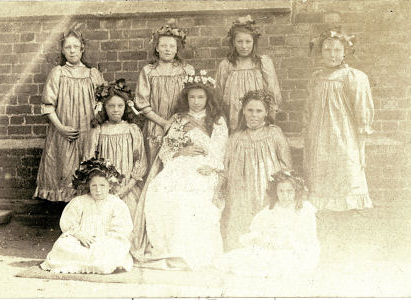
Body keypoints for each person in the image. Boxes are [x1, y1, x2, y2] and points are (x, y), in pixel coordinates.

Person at [131, 71, 228, 270]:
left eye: (201, 97)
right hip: (179, 164)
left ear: (208, 98)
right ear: (186, 98)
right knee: (162, 192)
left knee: (192, 199)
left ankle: (191, 251)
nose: (196, 101)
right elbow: (166, 150)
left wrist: (212, 167)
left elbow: (221, 150)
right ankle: (171, 249)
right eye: (192, 97)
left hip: (205, 166)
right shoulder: (178, 119)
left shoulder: (217, 120)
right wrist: (182, 150)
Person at [304, 27, 374, 211]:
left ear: (344, 52)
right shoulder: (316, 78)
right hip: (319, 137)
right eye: (327, 49)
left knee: (347, 175)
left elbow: (362, 112)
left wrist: (361, 148)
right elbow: (309, 110)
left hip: (344, 137)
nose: (332, 55)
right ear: (321, 51)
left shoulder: (354, 77)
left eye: (337, 50)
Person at [34, 28, 105, 202]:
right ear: (63, 50)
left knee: (88, 168)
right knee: (66, 169)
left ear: (82, 49)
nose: (72, 51)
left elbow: (103, 101)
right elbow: (48, 106)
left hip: (88, 130)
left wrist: (96, 119)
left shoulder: (92, 74)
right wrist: (61, 128)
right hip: (65, 131)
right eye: (68, 47)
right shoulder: (58, 73)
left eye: (75, 47)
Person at [221, 90, 293, 251]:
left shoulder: (274, 133)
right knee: (240, 213)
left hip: (266, 184)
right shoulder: (236, 136)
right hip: (240, 186)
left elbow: (286, 163)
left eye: (259, 111)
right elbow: (225, 165)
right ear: (243, 111)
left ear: (266, 113)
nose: (254, 115)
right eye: (250, 110)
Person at [215, 171, 320, 279]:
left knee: (284, 261)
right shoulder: (272, 208)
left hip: (296, 248)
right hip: (272, 245)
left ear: (296, 191)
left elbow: (307, 237)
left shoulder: (304, 208)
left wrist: (284, 240)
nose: (285, 195)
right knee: (252, 256)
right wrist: (266, 238)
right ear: (276, 192)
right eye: (281, 191)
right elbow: (259, 229)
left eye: (289, 191)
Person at [40, 157, 133, 274]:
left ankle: (98, 260)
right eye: (94, 186)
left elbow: (121, 228)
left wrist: (104, 240)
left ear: (110, 185)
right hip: (82, 240)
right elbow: (69, 223)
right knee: (62, 245)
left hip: (106, 240)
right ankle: (88, 261)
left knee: (111, 249)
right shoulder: (79, 201)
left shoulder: (116, 204)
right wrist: (79, 235)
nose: (98, 190)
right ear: (88, 186)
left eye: (102, 185)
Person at [134, 19, 194, 166]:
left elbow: (193, 99)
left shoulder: (186, 70)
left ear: (176, 49)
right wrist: (163, 123)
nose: (167, 49)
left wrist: (178, 123)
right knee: (155, 160)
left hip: (181, 124)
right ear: (157, 48)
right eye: (163, 45)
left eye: (171, 46)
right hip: (156, 124)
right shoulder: (149, 71)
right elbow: (142, 103)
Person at [86, 79, 147, 221]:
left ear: (126, 107)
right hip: (103, 187)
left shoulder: (132, 129)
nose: (116, 109)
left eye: (120, 105)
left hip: (127, 186)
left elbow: (140, 161)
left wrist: (128, 187)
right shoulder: (98, 130)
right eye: (111, 106)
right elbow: (89, 160)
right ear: (103, 107)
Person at [216, 15, 282, 132]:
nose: (244, 46)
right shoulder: (226, 64)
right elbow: (219, 92)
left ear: (254, 42)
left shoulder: (263, 63)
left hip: (256, 110)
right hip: (234, 111)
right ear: (233, 43)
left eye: (248, 41)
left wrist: (271, 112)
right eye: (239, 42)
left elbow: (272, 89)